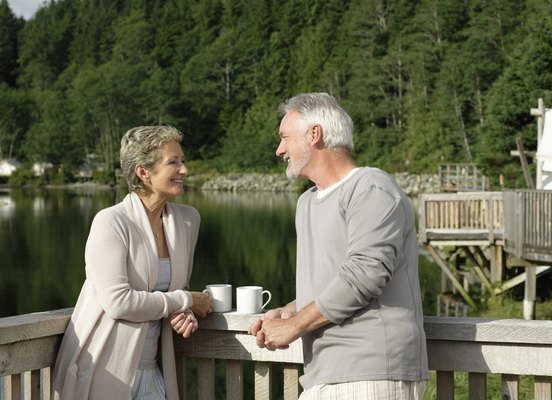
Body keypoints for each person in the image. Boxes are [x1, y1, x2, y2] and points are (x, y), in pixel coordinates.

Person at [249, 93, 429, 399]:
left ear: (314, 134)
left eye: (284, 137)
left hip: (372, 372)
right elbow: (332, 279)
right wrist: (288, 311)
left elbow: (365, 274)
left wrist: (295, 326)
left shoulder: (371, 187)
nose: (279, 150)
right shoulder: (307, 202)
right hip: (323, 374)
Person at [52, 126, 212, 400]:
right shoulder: (111, 222)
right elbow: (119, 302)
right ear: (143, 172)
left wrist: (182, 312)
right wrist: (185, 300)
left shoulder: (187, 220)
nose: (184, 170)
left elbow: (173, 289)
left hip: (154, 370)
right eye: (173, 162)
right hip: (104, 369)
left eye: (182, 160)